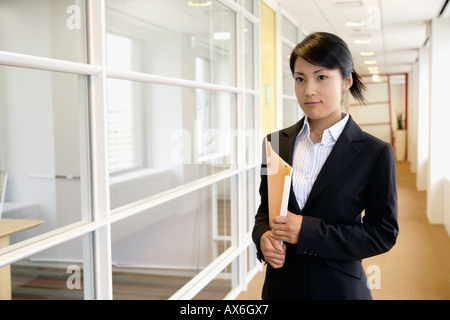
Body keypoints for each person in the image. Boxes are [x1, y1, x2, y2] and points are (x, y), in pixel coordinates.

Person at [252, 32, 399, 300]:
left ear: (346, 81)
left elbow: (383, 233)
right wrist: (262, 238)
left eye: (321, 77)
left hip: (339, 290)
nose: (309, 90)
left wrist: (307, 232)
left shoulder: (375, 152)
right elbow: (265, 211)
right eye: (300, 78)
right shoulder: (275, 143)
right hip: (281, 288)